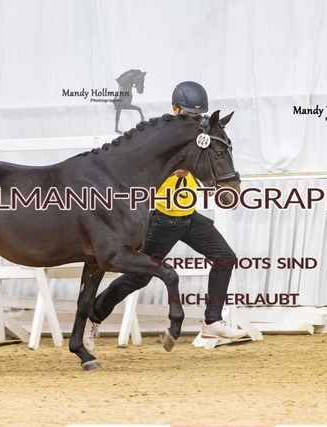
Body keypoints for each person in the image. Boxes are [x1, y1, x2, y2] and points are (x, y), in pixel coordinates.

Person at [84, 81, 246, 350]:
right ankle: (93, 317)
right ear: (174, 109)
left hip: (188, 215)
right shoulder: (160, 136)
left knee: (224, 257)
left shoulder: (197, 134)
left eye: (197, 115)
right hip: (162, 219)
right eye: (188, 114)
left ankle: (212, 320)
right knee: (139, 276)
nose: (193, 119)